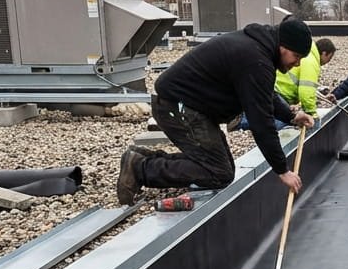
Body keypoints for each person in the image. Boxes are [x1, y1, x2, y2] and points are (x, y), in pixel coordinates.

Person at [118, 17, 315, 205]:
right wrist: (282, 170)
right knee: (219, 173)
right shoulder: (256, 59)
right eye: (296, 56)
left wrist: (291, 116)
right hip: (177, 107)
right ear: (283, 46)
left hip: (190, 106)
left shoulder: (259, 51)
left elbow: (264, 94)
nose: (296, 63)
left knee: (221, 167)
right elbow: (261, 122)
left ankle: (143, 159)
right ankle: (140, 168)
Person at [239, 37, 337, 131]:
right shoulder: (312, 61)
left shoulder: (308, 54)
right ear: (324, 53)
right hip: (280, 92)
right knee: (282, 122)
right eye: (330, 57)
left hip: (277, 90)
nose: (328, 61)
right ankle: (240, 121)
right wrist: (313, 116)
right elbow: (306, 92)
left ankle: (243, 118)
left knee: (276, 115)